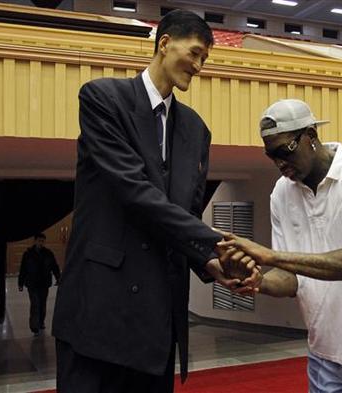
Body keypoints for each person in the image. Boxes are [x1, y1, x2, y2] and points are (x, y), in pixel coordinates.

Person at [52, 10, 258, 393]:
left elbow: (184, 216)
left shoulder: (197, 130)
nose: (198, 66)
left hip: (158, 326)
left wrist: (213, 263)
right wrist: (219, 240)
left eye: (205, 59)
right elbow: (136, 193)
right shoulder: (102, 99)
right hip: (98, 315)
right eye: (195, 53)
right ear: (165, 44)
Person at [219, 99, 342, 393]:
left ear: (311, 136)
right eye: (271, 155)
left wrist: (270, 255)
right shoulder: (281, 194)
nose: (280, 163)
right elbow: (291, 279)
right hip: (325, 344)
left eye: (285, 150)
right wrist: (257, 281)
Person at [18, 233, 61, 336]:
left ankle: (41, 322)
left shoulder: (48, 253)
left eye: (43, 241)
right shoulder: (28, 254)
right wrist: (20, 283)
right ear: (35, 241)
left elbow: (54, 266)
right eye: (39, 241)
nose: (41, 243)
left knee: (42, 304)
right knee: (35, 304)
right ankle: (34, 326)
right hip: (32, 283)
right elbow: (23, 269)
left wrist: (58, 278)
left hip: (44, 283)